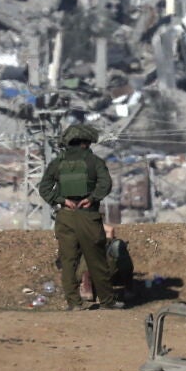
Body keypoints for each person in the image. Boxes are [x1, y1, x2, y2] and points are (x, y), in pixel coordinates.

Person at [38, 123, 122, 311]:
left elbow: (44, 188)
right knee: (96, 260)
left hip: (65, 216)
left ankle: (74, 303)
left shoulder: (57, 163)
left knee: (68, 261)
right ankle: (107, 301)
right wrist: (91, 198)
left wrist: (61, 200)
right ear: (85, 142)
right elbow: (105, 184)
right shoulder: (94, 162)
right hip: (88, 216)